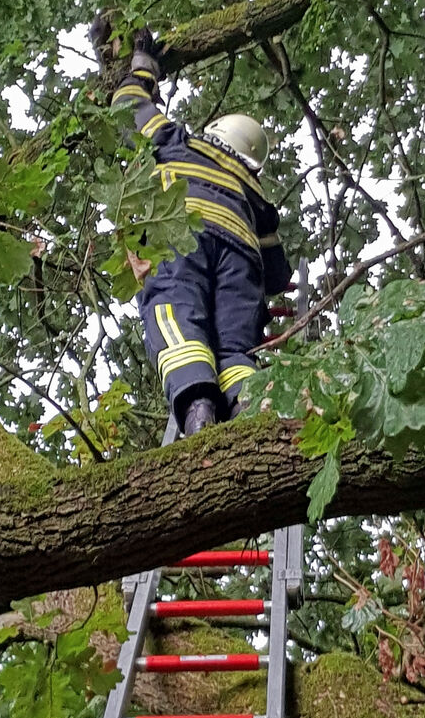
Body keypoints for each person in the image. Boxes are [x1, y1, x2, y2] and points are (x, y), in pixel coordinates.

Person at [111, 29, 292, 436]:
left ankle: (197, 410)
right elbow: (278, 274)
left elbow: (127, 108)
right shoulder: (254, 191)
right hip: (242, 261)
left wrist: (143, 64)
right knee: (236, 348)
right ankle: (247, 413)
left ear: (217, 131)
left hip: (179, 234)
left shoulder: (178, 141)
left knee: (176, 316)